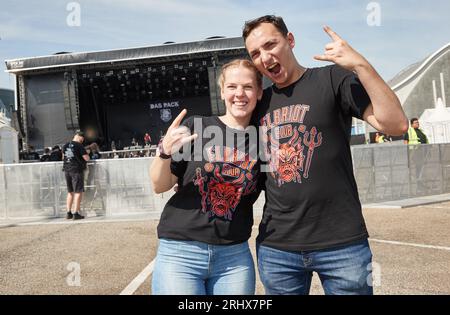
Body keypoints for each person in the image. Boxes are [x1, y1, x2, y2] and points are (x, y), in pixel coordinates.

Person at [243, 15, 408, 295]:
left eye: (271, 44)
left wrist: (360, 65)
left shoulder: (332, 78)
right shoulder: (259, 104)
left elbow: (396, 124)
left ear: (290, 40)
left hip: (343, 244)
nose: (265, 57)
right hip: (278, 248)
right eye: (255, 53)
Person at [149, 59, 263, 295]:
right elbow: (160, 185)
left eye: (248, 87)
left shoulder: (264, 141)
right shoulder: (197, 127)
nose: (239, 94)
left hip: (234, 257)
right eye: (232, 87)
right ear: (222, 92)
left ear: (259, 92)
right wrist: (164, 152)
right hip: (181, 253)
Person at [62, 130, 90, 220]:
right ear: (79, 137)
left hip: (67, 169)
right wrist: (88, 153)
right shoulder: (79, 145)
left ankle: (68, 212)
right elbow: (86, 158)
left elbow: (63, 157)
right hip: (76, 170)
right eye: (82, 139)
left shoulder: (65, 145)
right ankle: (76, 213)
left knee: (70, 192)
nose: (82, 140)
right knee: (78, 192)